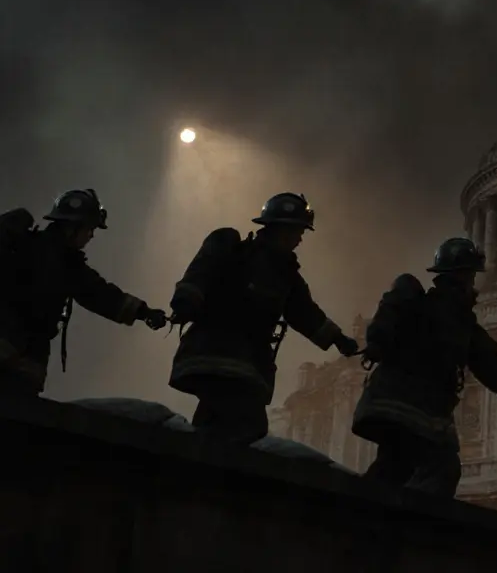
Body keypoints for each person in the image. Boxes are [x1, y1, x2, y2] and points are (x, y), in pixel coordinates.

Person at [352, 237, 497, 497]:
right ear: (462, 278)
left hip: (399, 404)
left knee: (394, 466)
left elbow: (489, 364)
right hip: (413, 407)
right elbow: (488, 363)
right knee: (442, 468)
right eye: (471, 277)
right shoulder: (455, 319)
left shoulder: (442, 313)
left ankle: (362, 513)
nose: (474, 285)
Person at [167, 192, 359, 445]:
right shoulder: (240, 254)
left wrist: (338, 338)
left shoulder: (285, 275)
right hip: (225, 357)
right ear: (282, 229)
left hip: (231, 361)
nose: (301, 238)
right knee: (248, 425)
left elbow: (306, 313)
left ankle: (192, 467)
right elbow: (200, 276)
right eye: (298, 231)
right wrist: (185, 302)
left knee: (215, 417)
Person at [0, 189, 168, 398]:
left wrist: (142, 311)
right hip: (16, 345)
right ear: (72, 227)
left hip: (28, 350)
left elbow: (100, 293)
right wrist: (144, 313)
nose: (91, 235)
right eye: (89, 229)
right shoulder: (58, 261)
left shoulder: (49, 254)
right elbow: (98, 294)